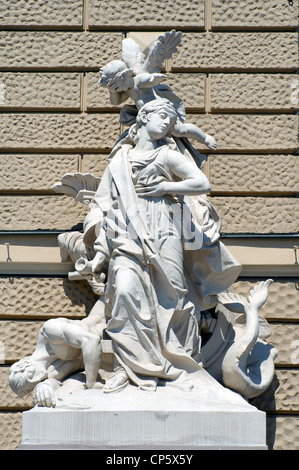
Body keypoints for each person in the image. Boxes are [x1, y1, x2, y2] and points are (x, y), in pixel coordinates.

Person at [79, 99, 242, 393]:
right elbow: (104, 205)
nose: (168, 123)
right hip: (126, 235)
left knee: (174, 298)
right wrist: (101, 250)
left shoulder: (167, 155)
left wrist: (166, 187)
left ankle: (179, 364)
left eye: (171, 119)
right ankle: (126, 368)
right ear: (143, 117)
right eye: (162, 117)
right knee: (126, 292)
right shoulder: (118, 161)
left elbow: (201, 183)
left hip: (165, 231)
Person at [100, 60, 217, 150]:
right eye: (114, 89)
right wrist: (112, 91)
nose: (117, 90)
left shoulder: (138, 81)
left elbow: (147, 79)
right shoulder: (127, 89)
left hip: (159, 109)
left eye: (116, 86)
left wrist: (153, 78)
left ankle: (204, 138)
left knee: (179, 130)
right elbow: (115, 102)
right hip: (145, 116)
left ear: (123, 76)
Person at [9, 299, 106, 407]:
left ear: (26, 368)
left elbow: (91, 340)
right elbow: (57, 382)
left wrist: (91, 383)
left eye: (31, 381)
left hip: (111, 313)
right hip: (114, 344)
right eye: (32, 386)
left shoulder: (50, 331)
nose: (37, 381)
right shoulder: (52, 370)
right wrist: (44, 386)